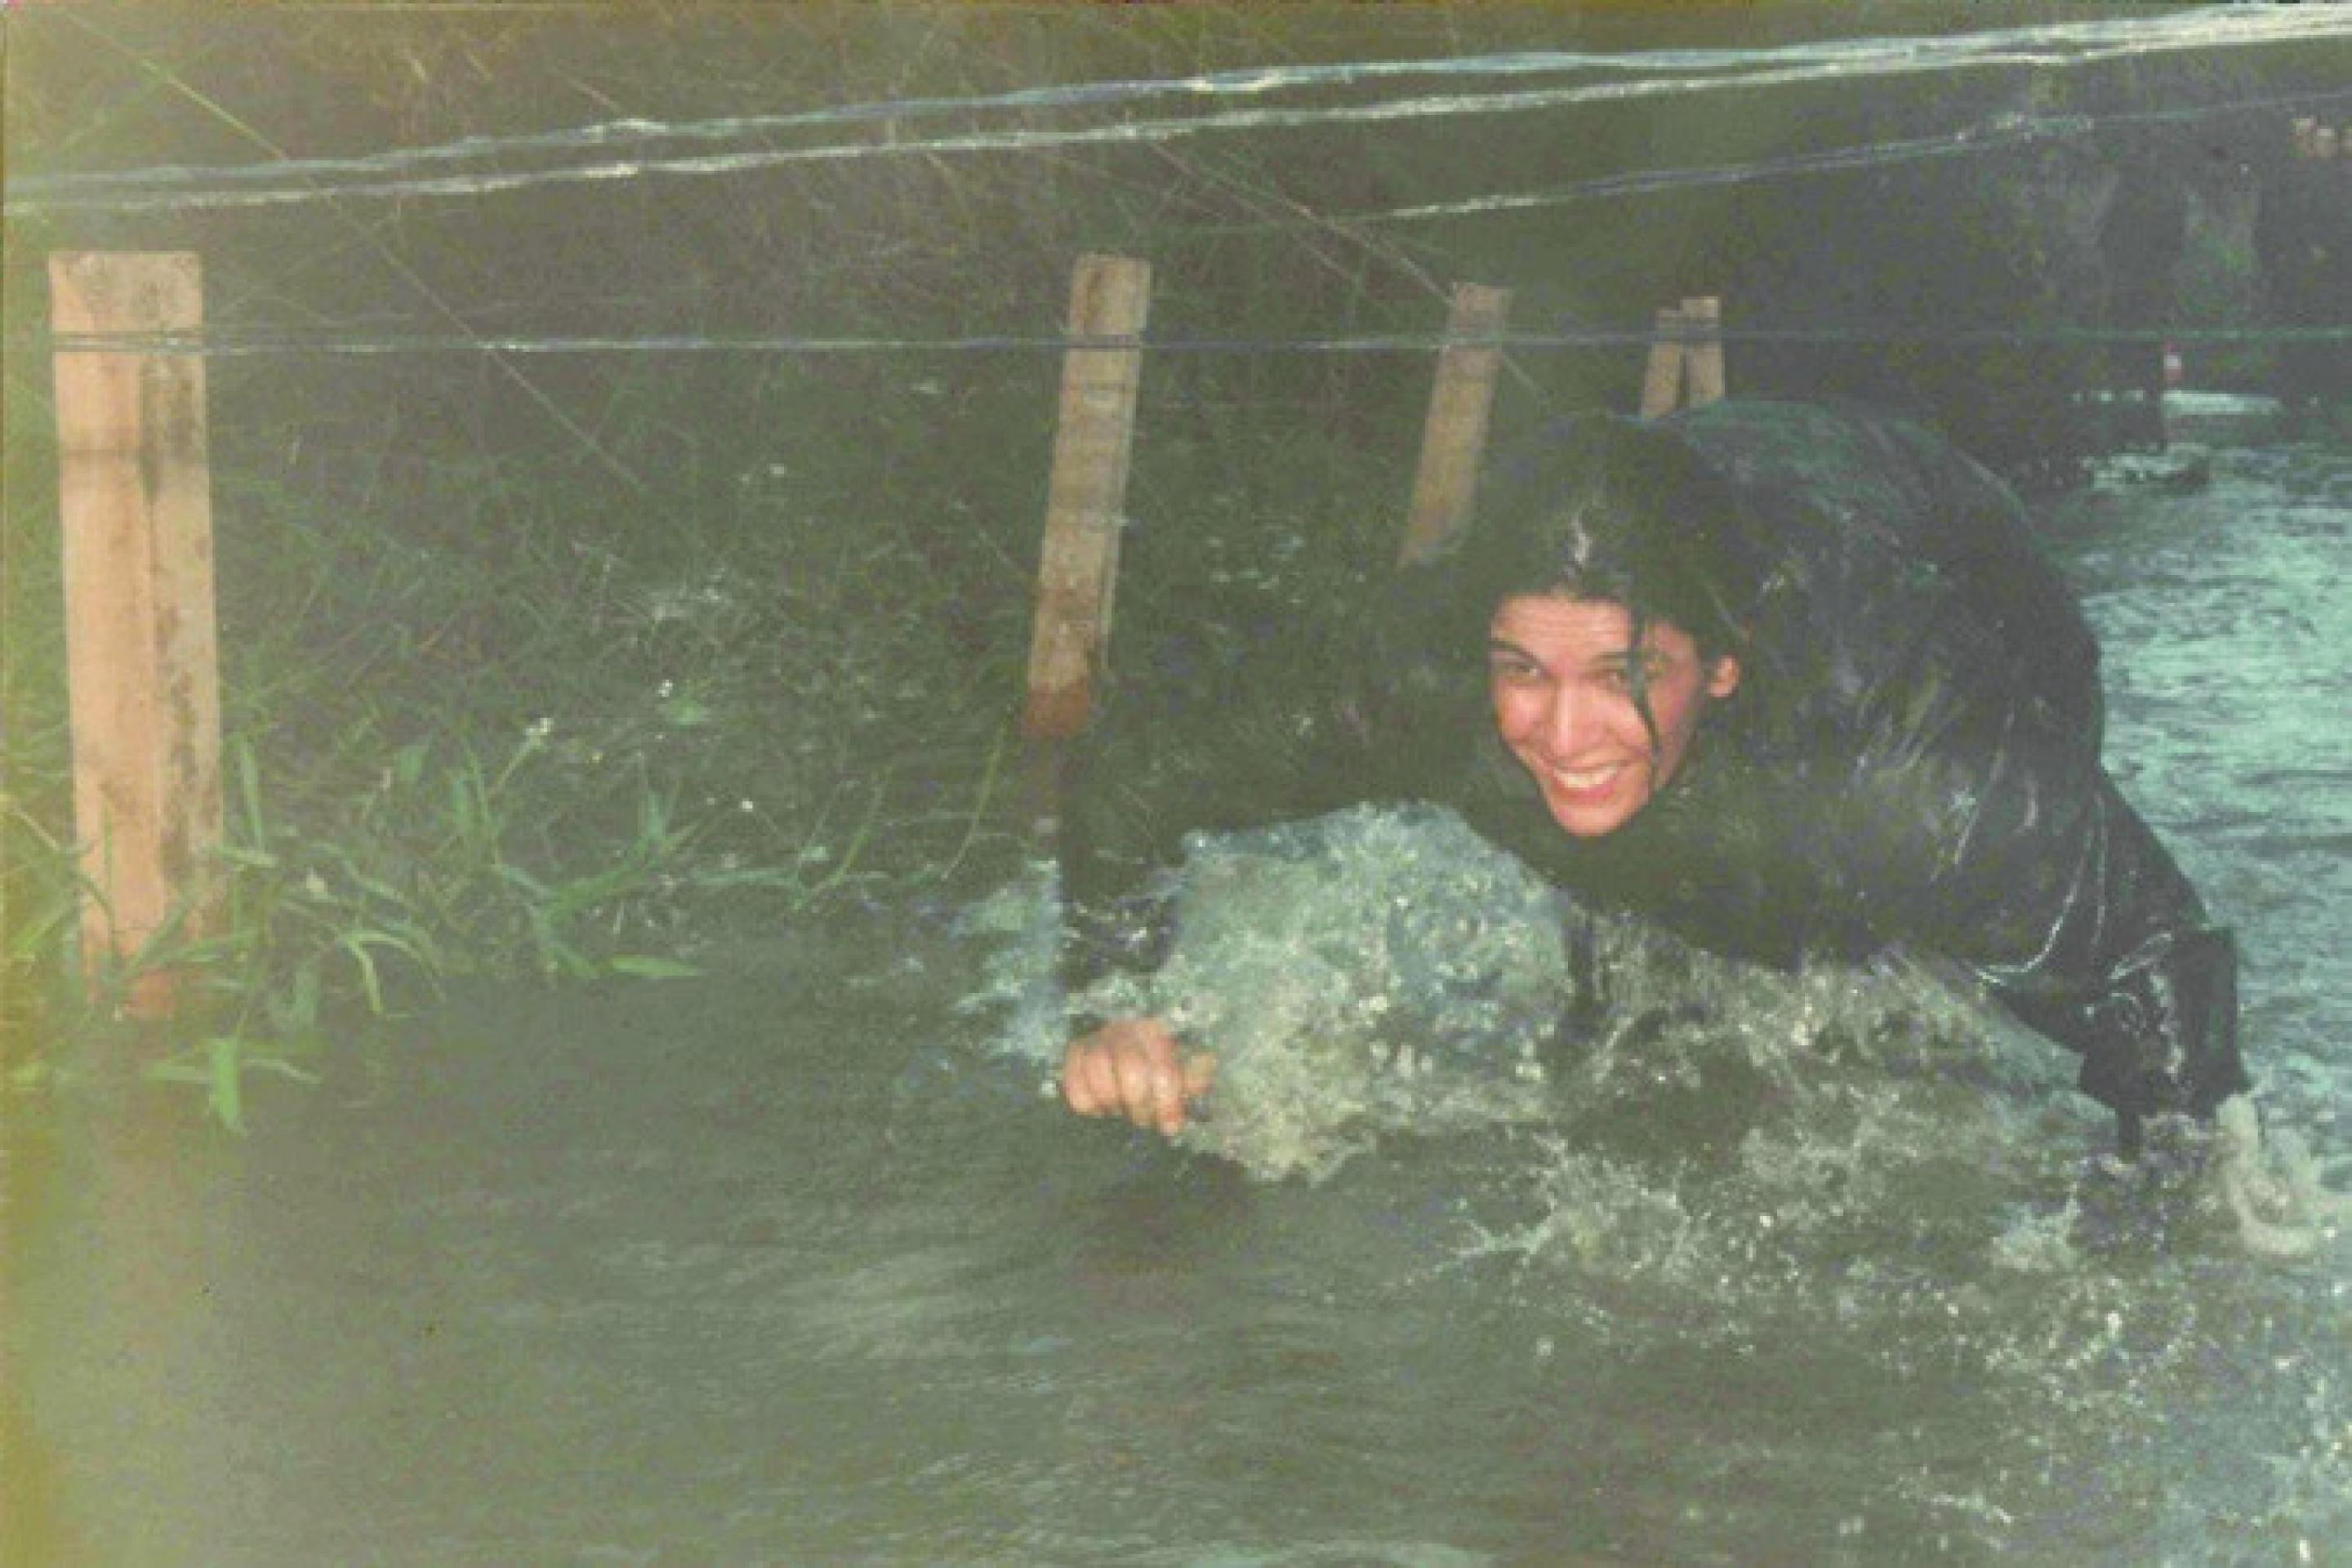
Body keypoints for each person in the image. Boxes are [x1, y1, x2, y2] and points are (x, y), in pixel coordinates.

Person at [1055, 400, 2252, 1157]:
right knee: (1636, 1036)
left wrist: (2143, 1241)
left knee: (1920, 920)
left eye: (1620, 677)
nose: (1566, 732)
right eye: (1524, 672)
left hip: (1953, 560)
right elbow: (1133, 776)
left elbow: (2160, 963)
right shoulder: (1419, 680)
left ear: (1719, 668)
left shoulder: (1899, 737)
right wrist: (1114, 997)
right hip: (1691, 511)